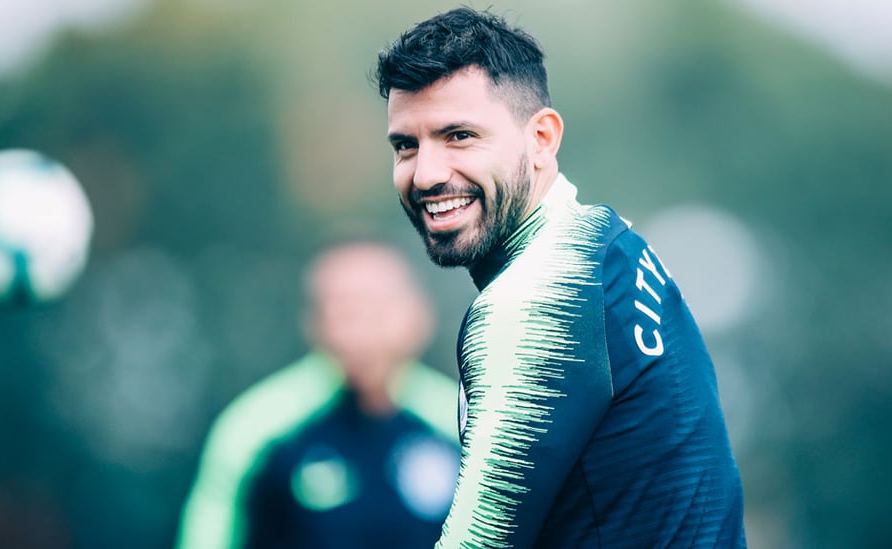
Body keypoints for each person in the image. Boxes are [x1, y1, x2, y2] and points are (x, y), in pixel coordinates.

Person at [373, 7, 747, 548]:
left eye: (458, 136)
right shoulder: (611, 244)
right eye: (405, 145)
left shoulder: (536, 298)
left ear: (542, 139)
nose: (426, 174)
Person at [176, 241, 460, 549]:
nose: (358, 330)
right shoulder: (257, 429)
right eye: (343, 310)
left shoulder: (462, 427)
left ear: (419, 317)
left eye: (376, 309)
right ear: (313, 323)